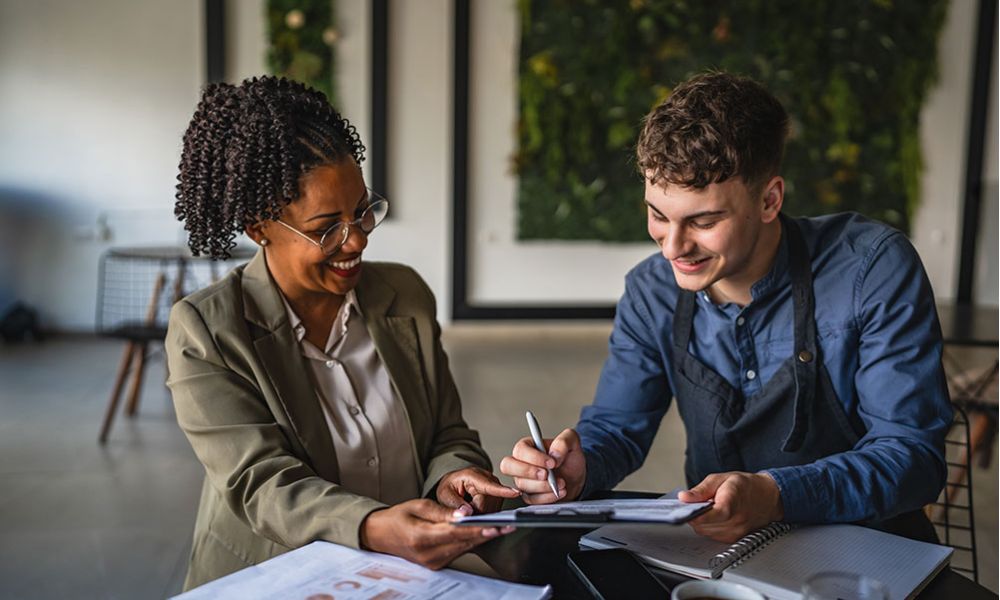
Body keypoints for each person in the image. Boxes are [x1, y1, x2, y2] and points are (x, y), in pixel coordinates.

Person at [500, 72, 952, 544]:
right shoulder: (650, 290)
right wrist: (579, 465)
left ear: (770, 199)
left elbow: (913, 456)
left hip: (870, 550)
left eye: (704, 220)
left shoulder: (873, 268)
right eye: (658, 214)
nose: (673, 247)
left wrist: (776, 494)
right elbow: (617, 426)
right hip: (721, 555)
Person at [167, 76, 518, 590]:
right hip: (275, 576)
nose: (355, 240)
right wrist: (373, 527)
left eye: (361, 212)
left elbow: (447, 432)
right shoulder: (208, 332)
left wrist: (453, 477)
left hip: (407, 577)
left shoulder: (406, 296)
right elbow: (261, 483)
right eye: (326, 226)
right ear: (258, 226)